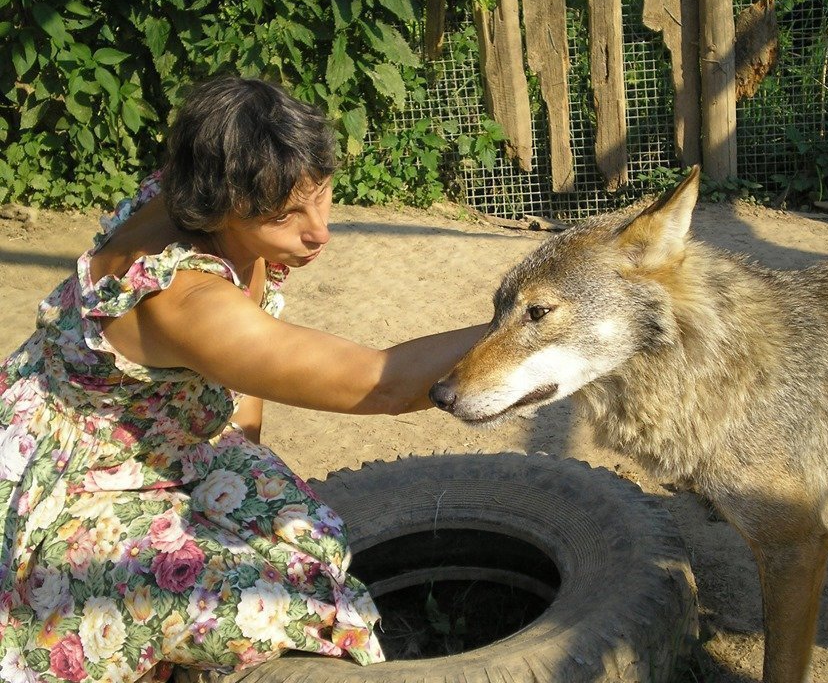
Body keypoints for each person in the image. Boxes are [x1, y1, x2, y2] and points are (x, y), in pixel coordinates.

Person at [0, 76, 486, 683]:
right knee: (285, 607)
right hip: (78, 476)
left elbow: (241, 366)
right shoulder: (183, 299)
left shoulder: (207, 195)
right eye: (286, 216)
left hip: (161, 437)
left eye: (323, 196)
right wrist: (539, 328)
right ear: (223, 203)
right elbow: (381, 383)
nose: (318, 232)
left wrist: (239, 470)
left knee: (315, 541)